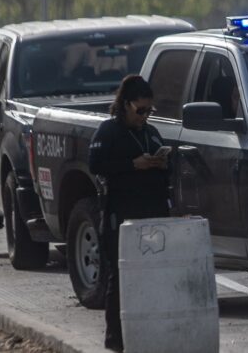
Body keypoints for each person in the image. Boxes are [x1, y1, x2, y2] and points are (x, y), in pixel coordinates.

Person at [88, 74, 171, 352]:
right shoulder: (109, 132)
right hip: (120, 214)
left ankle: (146, 335)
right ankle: (116, 340)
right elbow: (96, 163)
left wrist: (161, 163)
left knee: (151, 278)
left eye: (150, 110)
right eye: (140, 110)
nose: (145, 116)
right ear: (125, 105)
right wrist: (132, 165)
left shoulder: (151, 133)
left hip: (152, 214)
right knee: (120, 276)